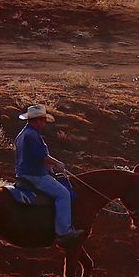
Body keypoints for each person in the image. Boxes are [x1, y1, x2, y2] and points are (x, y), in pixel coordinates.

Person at [15, 105, 85, 248]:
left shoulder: (23, 134)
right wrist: (57, 163)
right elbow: (41, 156)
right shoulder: (33, 135)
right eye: (43, 120)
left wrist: (51, 165)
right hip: (35, 175)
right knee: (63, 194)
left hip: (23, 173)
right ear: (37, 120)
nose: (45, 123)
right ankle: (64, 232)